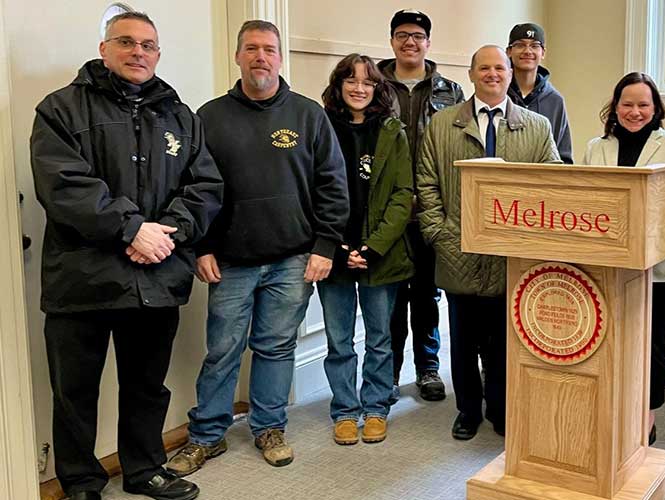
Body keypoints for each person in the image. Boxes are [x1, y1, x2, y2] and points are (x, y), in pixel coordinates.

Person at [30, 11, 222, 500]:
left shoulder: (181, 115)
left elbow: (205, 186)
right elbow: (64, 187)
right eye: (127, 42)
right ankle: (80, 482)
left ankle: (144, 470)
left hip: (156, 278)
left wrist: (168, 232)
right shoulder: (60, 109)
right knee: (75, 392)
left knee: (146, 386)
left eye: (149, 45)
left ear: (158, 53)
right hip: (82, 279)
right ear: (104, 49)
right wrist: (132, 229)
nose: (139, 52)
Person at [166, 20, 348, 475]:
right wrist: (200, 247)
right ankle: (207, 435)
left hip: (292, 258)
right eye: (251, 48)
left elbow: (333, 185)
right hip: (229, 261)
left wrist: (325, 246)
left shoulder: (308, 115)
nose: (260, 57)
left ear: (280, 57)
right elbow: (192, 187)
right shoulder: (207, 117)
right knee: (223, 349)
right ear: (238, 56)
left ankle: (269, 427)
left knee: (276, 347)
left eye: (269, 49)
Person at [416, 45, 560, 440]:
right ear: (472, 74)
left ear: (510, 74)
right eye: (484, 68)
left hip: (512, 254)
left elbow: (552, 184)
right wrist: (440, 234)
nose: (492, 74)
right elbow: (426, 185)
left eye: (499, 67)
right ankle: (467, 411)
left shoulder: (536, 127)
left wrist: (530, 240)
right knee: (463, 340)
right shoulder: (442, 125)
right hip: (456, 248)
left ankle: (500, 408)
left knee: (503, 341)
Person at [583, 72, 665, 446]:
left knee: (651, 341)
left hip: (659, 266)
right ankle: (611, 407)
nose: (635, 112)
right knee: (609, 338)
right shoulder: (595, 148)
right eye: (627, 104)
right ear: (615, 107)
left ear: (656, 108)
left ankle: (646, 416)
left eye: (643, 105)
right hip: (607, 263)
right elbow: (585, 203)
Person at [318, 54, 414, 446]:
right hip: (334, 252)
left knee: (379, 337)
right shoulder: (320, 127)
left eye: (367, 82)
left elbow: (403, 195)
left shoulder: (393, 131)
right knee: (339, 340)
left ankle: (375, 406)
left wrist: (373, 248)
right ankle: (344, 409)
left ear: (377, 88)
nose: (359, 88)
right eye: (351, 80)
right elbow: (311, 191)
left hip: (381, 254)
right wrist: (336, 246)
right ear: (339, 85)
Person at [378, 9, 465, 401]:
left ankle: (428, 368)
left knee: (427, 294)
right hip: (387, 211)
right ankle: (390, 371)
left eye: (416, 35)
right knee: (392, 296)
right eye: (401, 35)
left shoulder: (451, 91)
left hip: (433, 208)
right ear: (392, 40)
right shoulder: (374, 85)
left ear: (428, 42)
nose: (409, 42)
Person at [506, 22, 573, 163]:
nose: (527, 51)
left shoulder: (555, 100)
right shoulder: (499, 95)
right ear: (509, 52)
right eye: (520, 45)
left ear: (543, 53)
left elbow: (563, 155)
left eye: (534, 45)